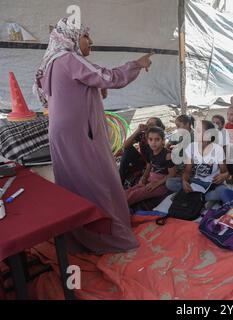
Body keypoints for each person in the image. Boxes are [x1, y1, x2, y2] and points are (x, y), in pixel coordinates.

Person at [33, 17, 152, 253]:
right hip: (80, 135)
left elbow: (78, 89)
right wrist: (137, 64)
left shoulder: (52, 62)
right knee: (98, 182)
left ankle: (79, 237)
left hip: (65, 134)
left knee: (74, 182)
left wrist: (95, 90)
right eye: (86, 35)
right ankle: (108, 238)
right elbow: (109, 77)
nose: (91, 41)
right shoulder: (68, 59)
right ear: (73, 36)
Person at [172, 120, 230, 202]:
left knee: (222, 191)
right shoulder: (191, 147)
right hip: (197, 181)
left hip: (212, 184)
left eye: (198, 131)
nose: (195, 133)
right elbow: (187, 171)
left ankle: (198, 197)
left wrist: (223, 176)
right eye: (195, 130)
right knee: (170, 182)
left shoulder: (218, 150)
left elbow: (226, 172)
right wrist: (184, 181)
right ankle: (202, 197)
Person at [125, 127, 175, 205]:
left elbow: (172, 174)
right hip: (150, 179)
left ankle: (118, 206)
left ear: (163, 141)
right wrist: (144, 177)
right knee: (132, 189)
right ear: (147, 141)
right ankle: (115, 200)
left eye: (157, 139)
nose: (153, 142)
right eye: (150, 139)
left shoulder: (167, 155)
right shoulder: (150, 152)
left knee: (135, 194)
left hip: (162, 184)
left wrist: (157, 183)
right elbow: (149, 166)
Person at [119, 117, 165, 186]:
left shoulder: (158, 139)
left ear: (157, 128)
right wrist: (138, 130)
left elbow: (154, 161)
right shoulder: (143, 135)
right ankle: (120, 179)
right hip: (142, 162)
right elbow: (125, 146)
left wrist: (144, 177)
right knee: (128, 150)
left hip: (152, 165)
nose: (147, 126)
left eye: (151, 124)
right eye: (147, 123)